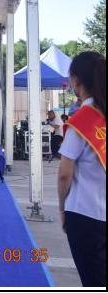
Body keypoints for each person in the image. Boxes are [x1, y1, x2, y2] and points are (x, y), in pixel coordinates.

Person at [58, 51, 106, 287]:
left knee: (93, 280)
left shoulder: (82, 120)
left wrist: (61, 208)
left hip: (85, 214)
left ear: (76, 80)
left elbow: (64, 174)